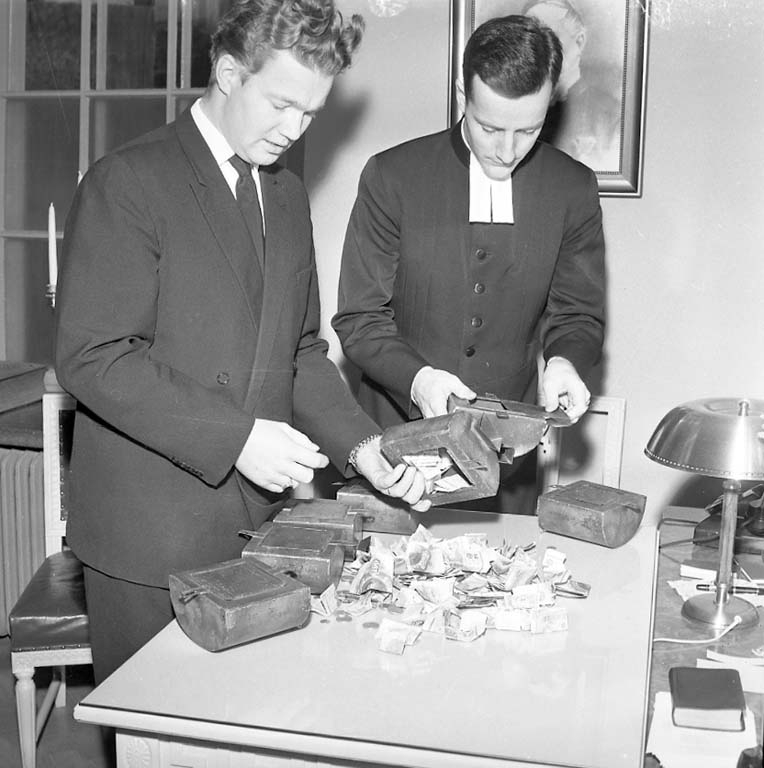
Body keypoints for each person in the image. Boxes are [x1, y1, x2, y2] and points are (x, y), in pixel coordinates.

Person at [55, 0, 429, 685]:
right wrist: (238, 438)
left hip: (257, 526)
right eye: (281, 104)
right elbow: (94, 357)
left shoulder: (284, 195)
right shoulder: (130, 181)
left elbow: (301, 351)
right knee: (154, 727)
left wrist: (363, 448)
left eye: (311, 112)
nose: (294, 130)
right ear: (229, 73)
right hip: (147, 538)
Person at [332, 14, 605, 514]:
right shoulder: (393, 177)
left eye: (528, 129)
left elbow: (578, 314)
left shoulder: (572, 189)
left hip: (506, 458)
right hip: (394, 447)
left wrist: (565, 361)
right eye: (490, 127)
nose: (506, 150)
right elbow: (360, 319)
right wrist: (419, 380)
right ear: (463, 94)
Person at [523, 0, 621, 171]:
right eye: (530, 39)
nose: (536, 50)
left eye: (549, 37)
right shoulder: (513, 108)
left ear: (580, 41)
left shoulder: (611, 115)